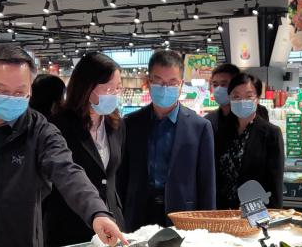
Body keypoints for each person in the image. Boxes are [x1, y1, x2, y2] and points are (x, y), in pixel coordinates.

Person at [0, 44, 126, 247]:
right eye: (2, 91)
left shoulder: (41, 131)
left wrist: (97, 213)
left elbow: (68, 172)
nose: (12, 98)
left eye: (20, 92)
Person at [118, 50, 216, 232]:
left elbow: (207, 182)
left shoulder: (200, 127)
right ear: (149, 82)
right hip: (138, 212)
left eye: (172, 83)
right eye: (159, 82)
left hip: (183, 214)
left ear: (181, 84)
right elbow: (122, 176)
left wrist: (207, 227)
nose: (165, 88)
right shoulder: (130, 124)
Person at [44, 53, 126, 247]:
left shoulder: (116, 124)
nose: (114, 94)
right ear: (87, 87)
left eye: (118, 88)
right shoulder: (58, 126)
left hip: (112, 221)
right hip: (70, 224)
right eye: (109, 89)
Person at [215, 73, 285, 209]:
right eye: (236, 96)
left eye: (248, 96)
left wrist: (275, 214)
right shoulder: (220, 132)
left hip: (256, 212)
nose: (242, 101)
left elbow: (275, 183)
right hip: (223, 212)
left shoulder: (271, 134)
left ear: (257, 99)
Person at [206, 63, 269, 134]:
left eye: (224, 84)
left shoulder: (260, 111)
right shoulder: (209, 120)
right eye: (215, 85)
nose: (219, 89)